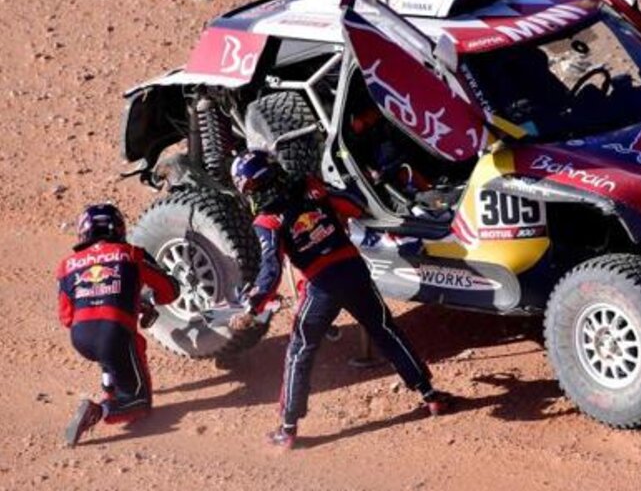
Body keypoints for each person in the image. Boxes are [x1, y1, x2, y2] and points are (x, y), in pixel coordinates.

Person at [227, 150, 453, 450]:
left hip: (320, 286)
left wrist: (252, 305)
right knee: (385, 330)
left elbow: (270, 272)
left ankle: (288, 428)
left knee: (300, 350)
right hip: (353, 270)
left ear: (253, 188)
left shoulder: (267, 221)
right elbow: (355, 206)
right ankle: (430, 395)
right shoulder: (311, 186)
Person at [56, 203, 180, 447]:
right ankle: (101, 410)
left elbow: (66, 317)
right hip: (114, 333)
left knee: (116, 346)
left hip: (81, 337)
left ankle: (110, 387)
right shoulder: (131, 253)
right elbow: (170, 289)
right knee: (140, 403)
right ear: (119, 229)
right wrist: (144, 301)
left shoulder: (66, 265)